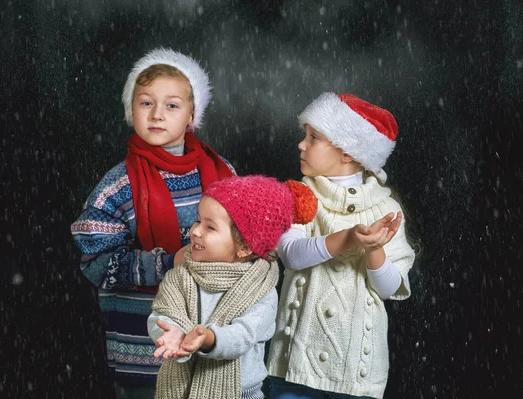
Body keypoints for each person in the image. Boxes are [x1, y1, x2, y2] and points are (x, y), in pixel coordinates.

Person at [70, 48, 235, 398]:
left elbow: (247, 245)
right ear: (131, 109)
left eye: (172, 105)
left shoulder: (223, 174)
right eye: (146, 103)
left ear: (192, 114)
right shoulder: (118, 186)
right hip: (146, 349)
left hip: (213, 340)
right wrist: (166, 263)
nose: (157, 114)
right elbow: (95, 263)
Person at [266, 93, 417, 399]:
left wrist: (374, 249)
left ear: (348, 152)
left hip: (355, 376)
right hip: (296, 364)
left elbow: (389, 289)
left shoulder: (385, 209)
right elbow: (290, 255)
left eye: (314, 137)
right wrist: (346, 239)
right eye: (304, 136)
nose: (301, 145)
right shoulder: (297, 195)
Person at [147, 175, 318, 399]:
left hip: (241, 392)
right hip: (180, 391)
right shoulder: (181, 275)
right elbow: (163, 313)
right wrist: (171, 333)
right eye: (198, 220)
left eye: (210, 227)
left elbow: (244, 335)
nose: (196, 231)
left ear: (245, 247)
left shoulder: (260, 288)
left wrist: (209, 339)